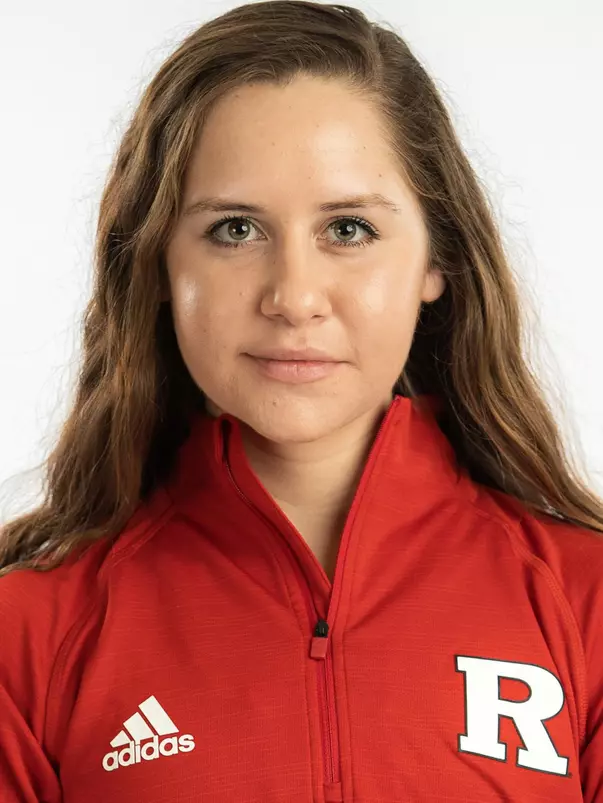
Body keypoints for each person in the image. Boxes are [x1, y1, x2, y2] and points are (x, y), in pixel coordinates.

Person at [0, 1, 602, 800]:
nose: (293, 296)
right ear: (154, 265)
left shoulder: (583, 602)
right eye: (235, 230)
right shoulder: (28, 634)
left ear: (436, 260)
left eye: (347, 229)